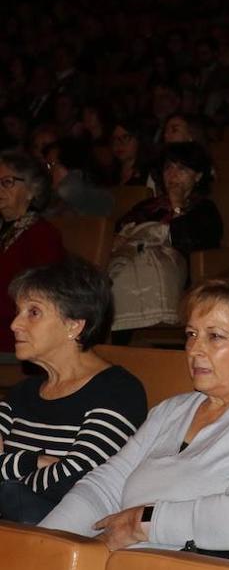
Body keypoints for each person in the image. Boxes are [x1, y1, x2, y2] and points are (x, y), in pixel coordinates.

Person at [41, 267, 229, 558]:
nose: (195, 349)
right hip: (117, 561)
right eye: (191, 334)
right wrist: (47, 544)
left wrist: (144, 522)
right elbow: (104, 487)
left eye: (215, 337)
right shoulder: (171, 410)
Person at [0, 259, 147, 523]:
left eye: (33, 312)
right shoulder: (21, 393)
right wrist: (34, 462)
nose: (15, 324)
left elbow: (79, 480)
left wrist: (10, 481)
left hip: (57, 539)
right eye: (18, 311)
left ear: (74, 325)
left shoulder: (117, 391)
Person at [109, 143, 224, 336]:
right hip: (126, 261)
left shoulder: (205, 209)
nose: (173, 174)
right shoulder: (148, 206)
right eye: (168, 168)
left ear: (197, 176)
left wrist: (177, 207)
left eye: (182, 169)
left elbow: (191, 244)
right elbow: (118, 230)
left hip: (177, 270)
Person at [0, 149, 66, 356]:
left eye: (7, 182)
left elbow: (43, 298)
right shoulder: (5, 230)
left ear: (31, 190)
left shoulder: (41, 234)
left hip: (14, 333)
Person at [42, 137, 114, 218]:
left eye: (52, 164)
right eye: (48, 166)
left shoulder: (98, 196)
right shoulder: (53, 200)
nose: (49, 171)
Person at [109, 122, 152, 187]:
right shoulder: (107, 174)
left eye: (125, 137)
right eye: (114, 139)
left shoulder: (149, 174)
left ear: (139, 140)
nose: (118, 144)